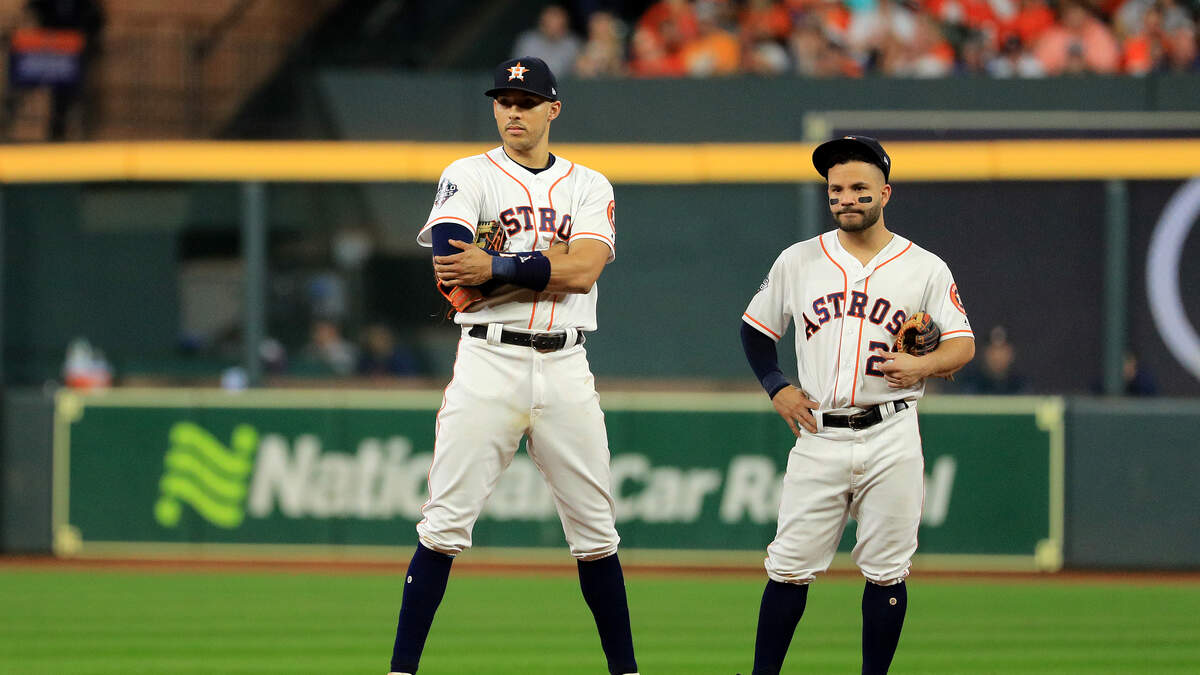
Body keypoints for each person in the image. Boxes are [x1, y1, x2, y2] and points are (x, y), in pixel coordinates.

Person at [387, 57, 638, 675]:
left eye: (526, 102)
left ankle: (626, 670)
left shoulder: (588, 185)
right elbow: (452, 264)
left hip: (566, 365)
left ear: (553, 109)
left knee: (597, 533)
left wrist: (499, 265)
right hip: (487, 362)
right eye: (504, 100)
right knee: (443, 526)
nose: (513, 111)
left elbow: (582, 272)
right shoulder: (468, 174)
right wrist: (539, 265)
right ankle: (400, 671)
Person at [738, 135, 975, 675]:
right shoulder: (799, 261)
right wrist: (777, 385)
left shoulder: (925, 268)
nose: (846, 197)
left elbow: (962, 343)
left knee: (888, 570)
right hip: (819, 433)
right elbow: (755, 330)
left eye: (859, 188)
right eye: (836, 189)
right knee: (789, 565)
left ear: (885, 192)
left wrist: (921, 365)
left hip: (892, 430)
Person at [512, 4, 582, 77]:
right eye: (550, 21)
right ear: (542, 22)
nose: (553, 26)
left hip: (563, 86)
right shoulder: (528, 41)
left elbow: (577, 71)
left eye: (559, 23)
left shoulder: (572, 43)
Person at [958, 325, 1030, 394]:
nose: (997, 356)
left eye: (1002, 350)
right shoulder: (972, 384)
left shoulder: (1020, 385)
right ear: (984, 353)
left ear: (1011, 353)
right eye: (993, 350)